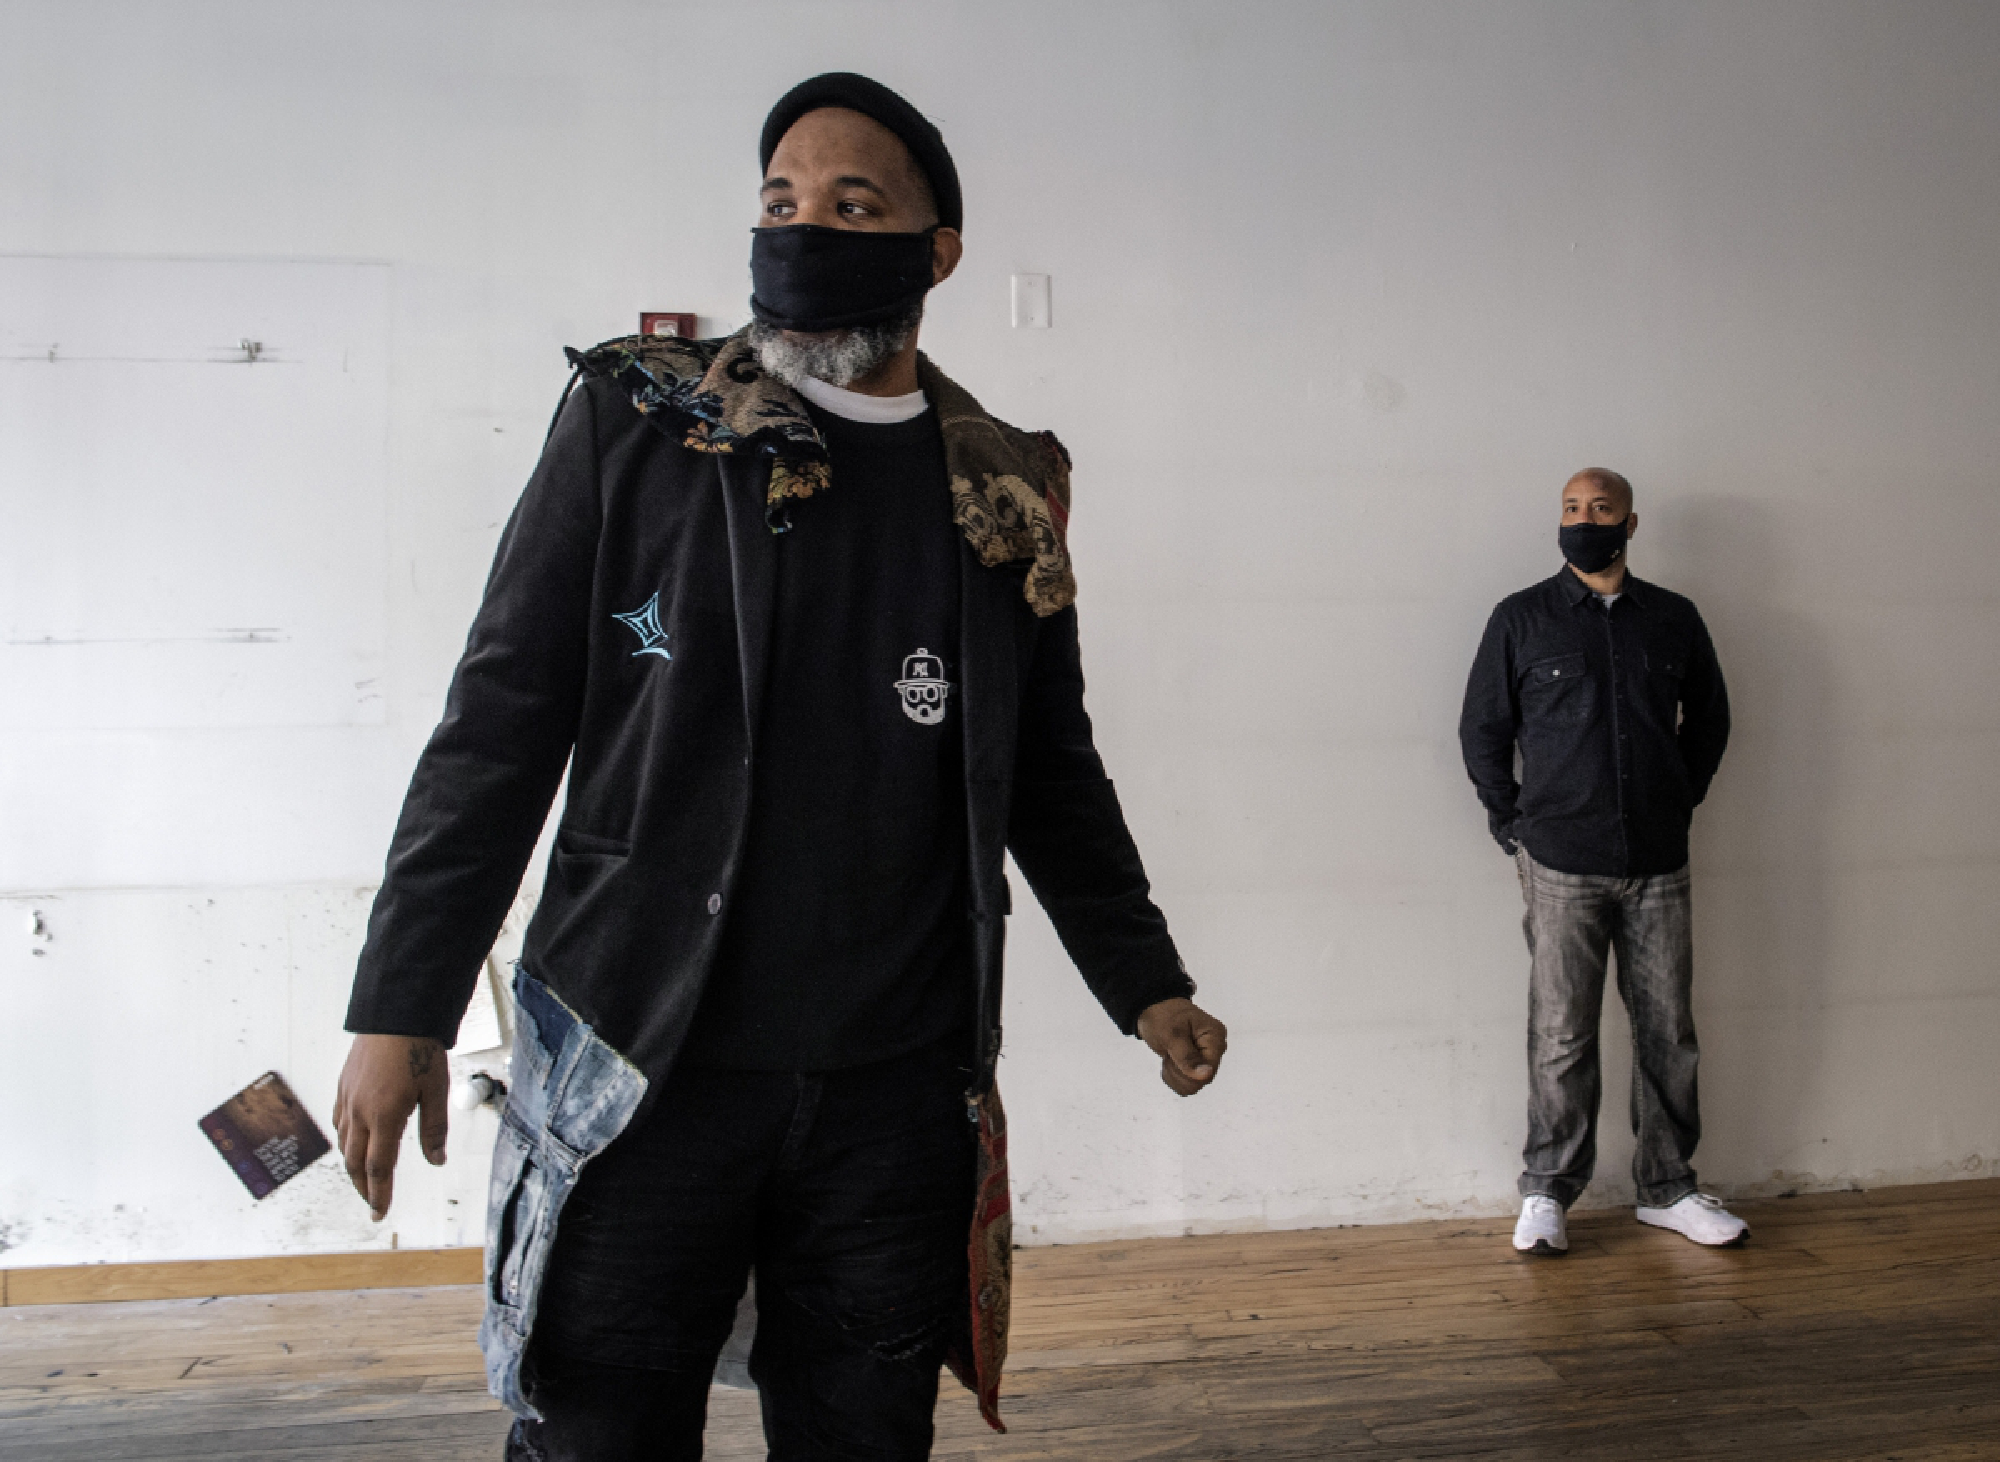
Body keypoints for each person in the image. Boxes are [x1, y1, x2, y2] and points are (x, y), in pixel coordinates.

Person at [330, 72, 1228, 1460]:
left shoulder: (1003, 487)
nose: (803, 226)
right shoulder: (637, 424)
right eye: (779, 201)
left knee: (863, 1432)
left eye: (851, 202)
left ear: (937, 253)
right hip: (640, 1065)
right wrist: (404, 1005)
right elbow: (498, 724)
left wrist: (1144, 975)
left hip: (893, 1088)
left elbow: (1047, 764)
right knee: (595, 1428)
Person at [1459, 468, 1744, 1256]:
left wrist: (1677, 797)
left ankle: (1669, 1187)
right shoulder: (1521, 618)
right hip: (1558, 861)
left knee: (1667, 1031)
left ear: (1630, 523)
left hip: (1657, 859)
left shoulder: (1674, 620)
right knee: (1561, 1033)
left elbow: (1711, 721)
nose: (1584, 520)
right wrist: (1511, 824)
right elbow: (1483, 729)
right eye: (1571, 508)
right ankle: (1548, 1191)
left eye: (1600, 509)